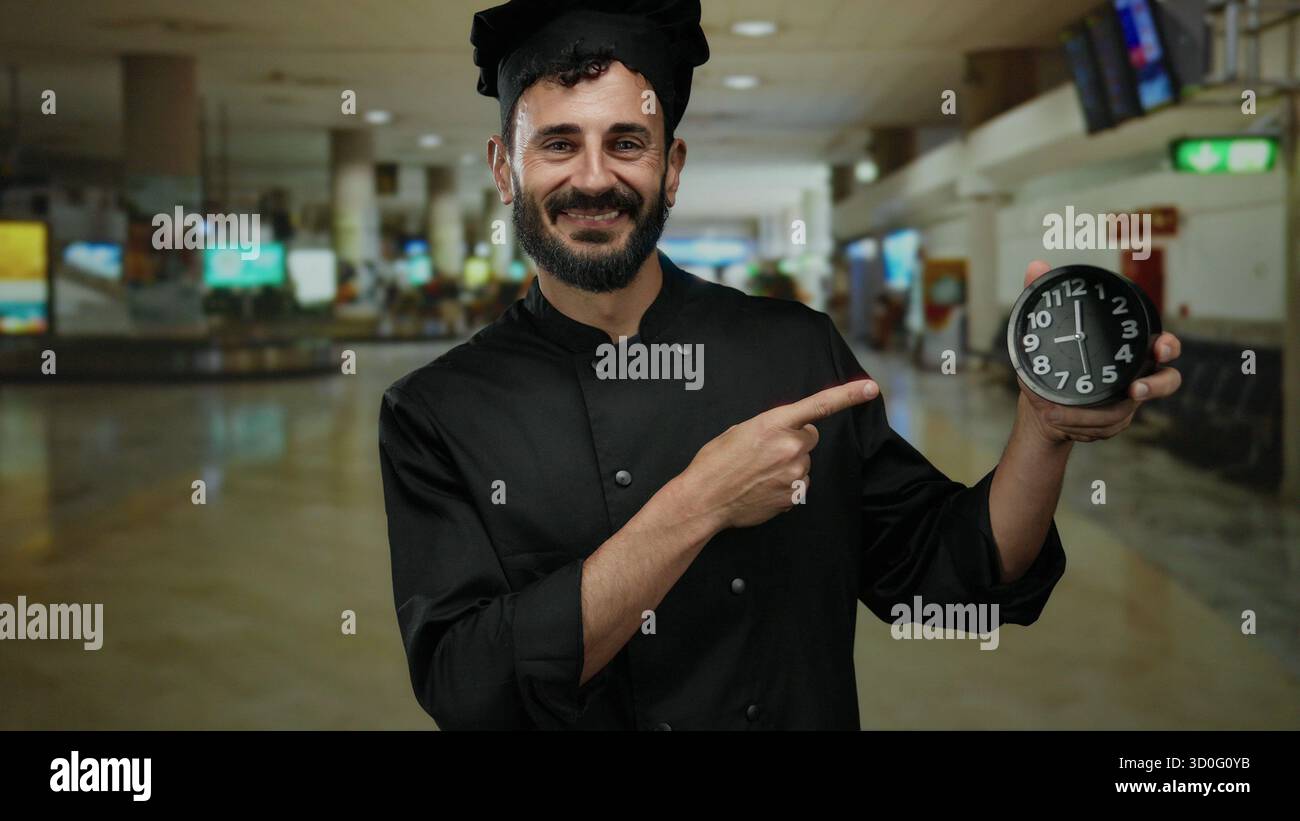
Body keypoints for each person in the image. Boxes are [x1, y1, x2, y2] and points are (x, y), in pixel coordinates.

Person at [378, 0, 1183, 730]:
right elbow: (467, 686)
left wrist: (1043, 431)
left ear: (673, 166)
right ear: (503, 168)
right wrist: (699, 502)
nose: (595, 177)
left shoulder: (794, 349)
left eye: (628, 143)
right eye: (559, 144)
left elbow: (948, 581)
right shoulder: (437, 411)